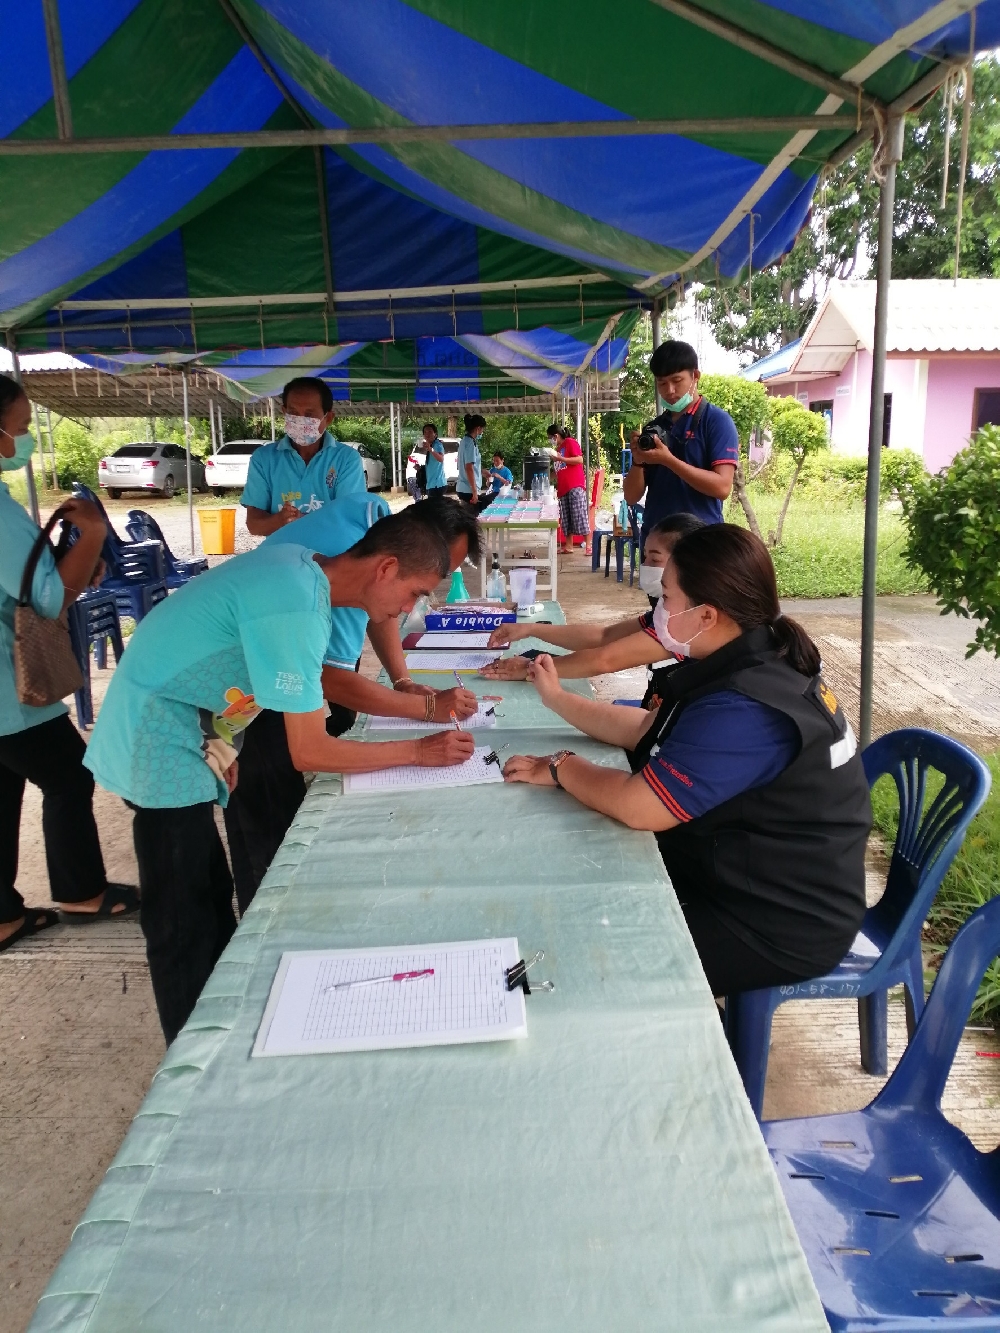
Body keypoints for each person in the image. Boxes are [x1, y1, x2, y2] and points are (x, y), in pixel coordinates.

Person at [84, 508, 474, 1044]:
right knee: (182, 912)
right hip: (156, 738)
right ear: (385, 568)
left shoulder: (304, 571)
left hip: (189, 727)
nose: (408, 610)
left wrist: (222, 736)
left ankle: (216, 1021)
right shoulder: (298, 603)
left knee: (208, 889)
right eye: (414, 594)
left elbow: (235, 655)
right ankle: (193, 1057)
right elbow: (309, 751)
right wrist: (417, 751)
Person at [503, 524, 871, 997]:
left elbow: (638, 806)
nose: (658, 610)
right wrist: (556, 699)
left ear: (707, 615)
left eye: (668, 598)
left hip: (775, 920)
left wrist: (561, 766)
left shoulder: (748, 707)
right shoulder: (746, 657)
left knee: (587, 957)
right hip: (740, 870)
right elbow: (646, 728)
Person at [224, 495, 483, 910]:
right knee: (268, 837)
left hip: (228, 703)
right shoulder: (330, 582)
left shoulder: (367, 527)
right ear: (404, 553)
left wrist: (402, 681)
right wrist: (422, 732)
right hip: (224, 705)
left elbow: (383, 611)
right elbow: (327, 689)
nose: (411, 607)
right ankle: (266, 922)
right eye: (422, 586)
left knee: (244, 825)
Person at [0, 374, 139, 952]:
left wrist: (74, 564)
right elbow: (47, 598)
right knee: (68, 776)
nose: (24, 439)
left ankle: (3, 915)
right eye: (20, 427)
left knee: (5, 783)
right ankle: (81, 891)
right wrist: (94, 534)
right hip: (10, 689)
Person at [481, 513, 704, 687]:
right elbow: (604, 636)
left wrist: (530, 668)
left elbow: (605, 660)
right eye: (644, 557)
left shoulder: (689, 620)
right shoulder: (666, 609)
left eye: (654, 560)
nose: (645, 566)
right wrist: (530, 629)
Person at [623, 341, 738, 547]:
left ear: (695, 376)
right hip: (657, 542)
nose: (670, 390)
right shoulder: (655, 428)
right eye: (662, 383)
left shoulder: (716, 421)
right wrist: (638, 462)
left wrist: (668, 460)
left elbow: (722, 487)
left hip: (700, 541)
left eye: (677, 381)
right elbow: (631, 497)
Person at [241, 377, 366, 535]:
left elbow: (350, 520)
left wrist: (302, 521)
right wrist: (280, 520)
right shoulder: (263, 459)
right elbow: (254, 524)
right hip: (282, 550)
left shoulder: (346, 459)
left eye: (309, 414)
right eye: (293, 413)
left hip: (332, 550)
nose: (300, 420)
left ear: (328, 418)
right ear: (284, 412)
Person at [547, 423, 589, 556]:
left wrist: (561, 458)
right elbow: (559, 470)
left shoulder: (570, 442)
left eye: (550, 438)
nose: (550, 440)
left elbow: (579, 459)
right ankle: (569, 545)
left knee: (579, 515)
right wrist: (545, 476)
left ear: (556, 436)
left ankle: (589, 545)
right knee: (566, 519)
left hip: (575, 485)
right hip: (563, 488)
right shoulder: (558, 449)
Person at [456, 413, 486, 510]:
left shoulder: (464, 441)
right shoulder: (470, 443)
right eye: (482, 429)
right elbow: (469, 468)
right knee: (471, 517)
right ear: (478, 428)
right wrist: (474, 492)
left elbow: (470, 466)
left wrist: (481, 472)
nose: (482, 432)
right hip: (468, 490)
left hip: (462, 487)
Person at [422, 423, 447, 497]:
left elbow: (441, 458)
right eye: (425, 432)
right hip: (431, 484)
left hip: (437, 485)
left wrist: (430, 449)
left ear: (435, 434)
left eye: (430, 432)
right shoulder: (431, 445)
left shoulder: (437, 444)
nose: (427, 434)